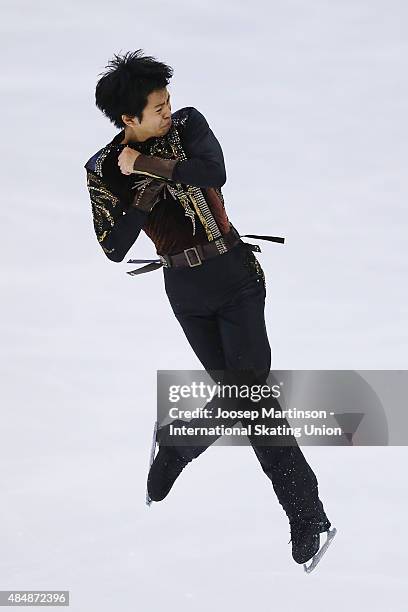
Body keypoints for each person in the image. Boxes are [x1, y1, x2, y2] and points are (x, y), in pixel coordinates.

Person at [84, 49, 334, 568]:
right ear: (128, 119)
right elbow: (113, 245)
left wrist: (149, 165)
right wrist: (143, 195)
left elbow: (213, 171)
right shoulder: (103, 168)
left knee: (251, 398)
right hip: (185, 292)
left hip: (235, 277)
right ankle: (179, 446)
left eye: (168, 101)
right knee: (245, 397)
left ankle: (305, 513)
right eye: (157, 108)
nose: (168, 111)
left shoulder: (188, 126)